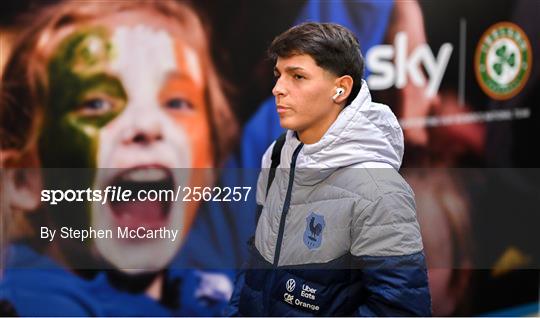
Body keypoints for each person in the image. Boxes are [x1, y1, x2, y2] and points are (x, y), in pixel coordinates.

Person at [0, 0, 238, 315]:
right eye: (96, 104)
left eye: (176, 102)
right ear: (23, 178)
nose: (147, 125)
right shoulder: (33, 303)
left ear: (208, 169)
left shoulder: (205, 290)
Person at [227, 22, 431, 316]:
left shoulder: (378, 189)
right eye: (278, 75)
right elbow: (256, 258)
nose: (278, 89)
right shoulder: (275, 157)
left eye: (297, 76)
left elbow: (400, 310)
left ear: (341, 88)